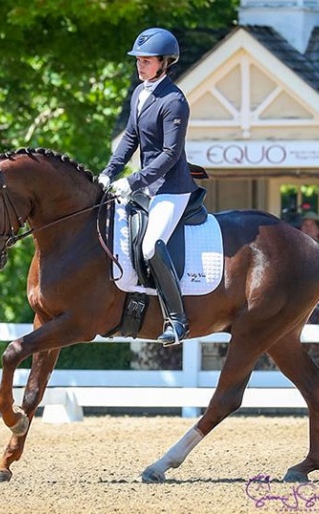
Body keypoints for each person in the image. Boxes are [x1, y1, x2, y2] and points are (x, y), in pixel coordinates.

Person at [98, 27, 198, 345]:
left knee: (150, 245)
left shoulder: (174, 101)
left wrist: (132, 180)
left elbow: (170, 154)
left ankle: (178, 320)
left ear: (165, 62)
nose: (140, 65)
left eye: (146, 60)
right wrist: (108, 173)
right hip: (146, 187)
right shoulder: (140, 93)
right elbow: (130, 139)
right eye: (138, 60)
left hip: (171, 188)